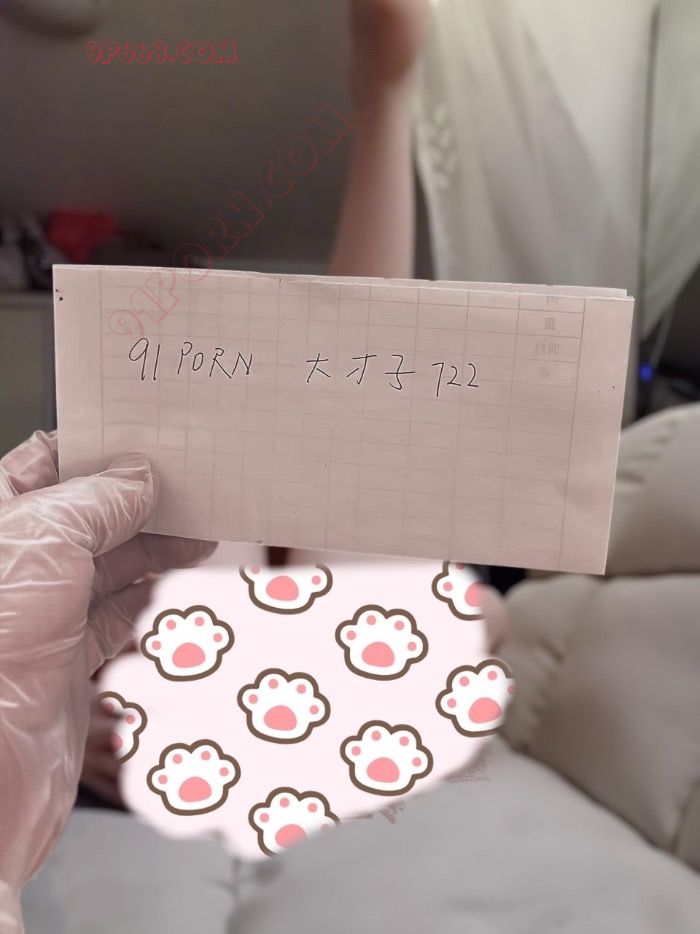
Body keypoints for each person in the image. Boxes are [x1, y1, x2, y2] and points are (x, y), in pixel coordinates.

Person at [0, 1, 438, 929]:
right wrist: (64, 715)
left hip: (260, 694)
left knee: (319, 518)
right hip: (142, 736)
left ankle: (385, 95)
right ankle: (386, 96)